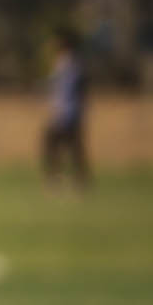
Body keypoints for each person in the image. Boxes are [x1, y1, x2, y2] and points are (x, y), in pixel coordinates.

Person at [42, 27, 89, 189]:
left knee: (65, 147)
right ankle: (74, 180)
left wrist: (64, 110)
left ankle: (62, 180)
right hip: (65, 112)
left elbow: (70, 89)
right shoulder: (64, 63)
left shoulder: (70, 64)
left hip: (67, 113)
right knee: (70, 147)